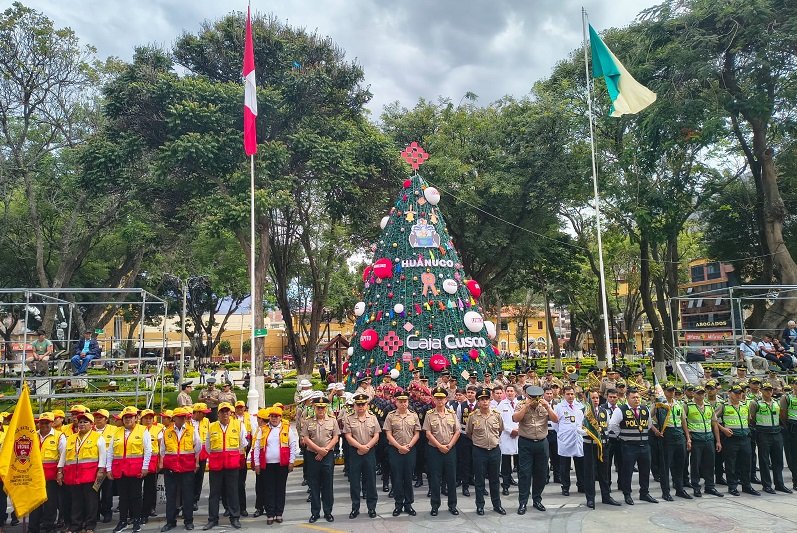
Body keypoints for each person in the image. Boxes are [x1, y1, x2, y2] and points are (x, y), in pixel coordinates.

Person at [512, 385, 558, 514]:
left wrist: (547, 407)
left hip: (542, 443)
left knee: (541, 473)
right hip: (526, 442)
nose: (535, 401)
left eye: (537, 398)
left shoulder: (544, 405)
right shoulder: (521, 405)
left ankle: (537, 499)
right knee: (525, 474)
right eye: (532, 398)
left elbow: (556, 419)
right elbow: (516, 419)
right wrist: (526, 406)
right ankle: (523, 502)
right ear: (527, 396)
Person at [608, 388, 658, 505]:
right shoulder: (621, 410)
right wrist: (621, 435)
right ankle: (627, 494)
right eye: (633, 397)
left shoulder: (645, 409)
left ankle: (644, 493)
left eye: (638, 397)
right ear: (627, 398)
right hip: (629, 446)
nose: (636, 399)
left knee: (645, 470)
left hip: (644, 445)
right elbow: (613, 425)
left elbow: (649, 424)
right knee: (627, 471)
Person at [107, 406, 152, 533]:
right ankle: (122, 521)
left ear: (136, 418)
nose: (127, 420)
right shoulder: (117, 432)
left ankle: (136, 520)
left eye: (130, 417)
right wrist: (108, 468)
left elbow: (148, 450)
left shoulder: (143, 430)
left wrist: (145, 467)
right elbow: (110, 451)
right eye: (125, 417)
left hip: (135, 469)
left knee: (136, 496)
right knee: (123, 497)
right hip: (120, 469)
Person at [61, 411, 106, 533]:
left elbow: (103, 455)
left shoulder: (98, 437)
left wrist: (101, 471)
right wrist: (60, 470)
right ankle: (76, 525)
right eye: (80, 422)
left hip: (91, 475)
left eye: (85, 422)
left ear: (92, 424)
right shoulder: (70, 438)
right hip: (74, 475)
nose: (82, 424)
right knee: (76, 501)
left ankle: (90, 526)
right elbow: (63, 456)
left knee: (91, 501)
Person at [203, 402, 247, 530]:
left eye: (227, 411)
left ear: (231, 413)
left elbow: (242, 443)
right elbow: (208, 446)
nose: (225, 414)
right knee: (214, 493)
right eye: (222, 411)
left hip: (232, 464)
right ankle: (212, 519)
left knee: (232, 492)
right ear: (218, 414)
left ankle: (235, 518)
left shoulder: (238, 425)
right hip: (216, 465)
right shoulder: (212, 427)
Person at [253, 406, 297, 525]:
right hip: (267, 465)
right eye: (272, 416)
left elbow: (293, 445)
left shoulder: (286, 429)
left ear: (280, 417)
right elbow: (257, 447)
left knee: (280, 489)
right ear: (269, 418)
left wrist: (292, 461)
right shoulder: (263, 429)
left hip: (281, 465)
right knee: (268, 490)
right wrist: (256, 463)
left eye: (276, 416)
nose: (274, 418)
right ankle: (270, 514)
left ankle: (279, 513)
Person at [159, 407, 201, 532]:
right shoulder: (167, 432)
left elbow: (197, 447)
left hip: (186, 468)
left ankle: (189, 521)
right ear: (174, 418)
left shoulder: (192, 431)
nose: (183, 419)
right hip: (171, 469)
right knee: (170, 496)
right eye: (180, 417)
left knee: (188, 496)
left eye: (184, 417)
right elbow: (162, 450)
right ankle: (170, 521)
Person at [466, 387, 506, 516]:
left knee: (495, 480)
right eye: (482, 400)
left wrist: (492, 441)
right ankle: (480, 505)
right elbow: (469, 433)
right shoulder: (473, 416)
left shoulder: (496, 415)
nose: (484, 402)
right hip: (479, 451)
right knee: (479, 480)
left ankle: (497, 505)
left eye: (486, 399)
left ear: (490, 400)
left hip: (494, 450)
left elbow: (499, 430)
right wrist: (481, 442)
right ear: (478, 402)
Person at [716, 385, 760, 496]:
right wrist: (723, 429)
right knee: (731, 464)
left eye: (740, 393)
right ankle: (732, 486)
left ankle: (746, 485)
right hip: (731, 439)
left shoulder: (745, 405)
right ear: (730, 393)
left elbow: (749, 419)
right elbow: (712, 419)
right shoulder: (724, 406)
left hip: (745, 437)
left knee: (746, 463)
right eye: (736, 393)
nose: (739, 395)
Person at [342, 393, 380, 519]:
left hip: (370, 452)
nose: (361, 407)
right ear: (354, 406)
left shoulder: (373, 418)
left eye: (363, 404)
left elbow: (376, 435)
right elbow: (348, 436)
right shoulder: (349, 418)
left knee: (371, 481)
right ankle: (355, 508)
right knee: (354, 482)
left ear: (367, 405)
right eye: (358, 405)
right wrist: (360, 447)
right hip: (355, 453)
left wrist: (367, 447)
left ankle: (372, 508)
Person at [749, 382, 792, 494]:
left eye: (770, 390)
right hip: (763, 433)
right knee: (764, 460)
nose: (769, 392)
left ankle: (779, 484)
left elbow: (782, 416)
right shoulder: (756, 403)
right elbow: (751, 418)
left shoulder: (777, 402)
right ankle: (767, 485)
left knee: (778, 461)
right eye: (766, 390)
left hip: (776, 432)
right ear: (761, 391)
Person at [423, 386, 460, 516]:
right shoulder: (429, 414)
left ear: (446, 399)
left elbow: (457, 431)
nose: (439, 401)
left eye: (442, 398)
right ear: (433, 399)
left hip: (450, 449)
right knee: (435, 478)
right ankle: (435, 505)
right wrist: (439, 446)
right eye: (437, 398)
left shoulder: (452, 414)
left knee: (451, 478)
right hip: (434, 450)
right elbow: (428, 433)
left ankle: (452, 505)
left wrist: (449, 445)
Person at [302, 396, 340, 523]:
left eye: (323, 407)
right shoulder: (308, 421)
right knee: (314, 485)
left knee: (327, 485)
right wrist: (318, 450)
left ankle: (328, 512)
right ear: (314, 407)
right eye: (318, 407)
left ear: (326, 408)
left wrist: (325, 450)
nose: (321, 410)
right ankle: (315, 513)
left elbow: (335, 437)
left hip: (327, 455)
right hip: (313, 456)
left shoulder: (332, 420)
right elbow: (306, 438)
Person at [384, 390, 420, 517]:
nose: (403, 404)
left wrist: (409, 446)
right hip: (395, 450)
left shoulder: (413, 415)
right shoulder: (390, 416)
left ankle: (408, 504)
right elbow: (388, 434)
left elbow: (417, 433)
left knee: (408, 477)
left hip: (410, 450)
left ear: (408, 402)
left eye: (405, 401)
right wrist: (399, 446)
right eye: (400, 402)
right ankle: (398, 504)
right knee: (397, 477)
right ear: (396, 402)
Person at [683, 385, 723, 498]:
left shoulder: (708, 406)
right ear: (694, 394)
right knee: (695, 464)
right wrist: (688, 438)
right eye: (698, 393)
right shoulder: (688, 406)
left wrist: (718, 441)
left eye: (702, 393)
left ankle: (710, 486)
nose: (700, 395)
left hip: (709, 438)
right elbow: (683, 422)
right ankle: (696, 487)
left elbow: (714, 423)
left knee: (710, 463)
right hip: (696, 438)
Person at [581, 390, 619, 508]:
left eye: (597, 398)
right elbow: (578, 428)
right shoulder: (583, 412)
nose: (596, 400)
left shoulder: (604, 412)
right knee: (590, 473)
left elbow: (607, 426)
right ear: (588, 400)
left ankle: (606, 496)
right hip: (589, 445)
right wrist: (588, 432)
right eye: (593, 398)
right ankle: (590, 498)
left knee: (604, 472)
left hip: (603, 445)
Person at [30, 412, 65, 533]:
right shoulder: (32, 435)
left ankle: (49, 526)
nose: (44, 424)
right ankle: (33, 527)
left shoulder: (59, 436)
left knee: (50, 502)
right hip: (35, 475)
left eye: (46, 422)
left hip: (51, 475)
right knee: (35, 502)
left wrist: (60, 472)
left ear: (52, 423)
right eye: (41, 422)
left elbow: (63, 456)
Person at [555, 385, 584, 496]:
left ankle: (581, 485)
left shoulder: (580, 406)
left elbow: (582, 421)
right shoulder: (559, 407)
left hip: (578, 438)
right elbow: (555, 423)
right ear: (563, 395)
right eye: (568, 394)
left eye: (572, 394)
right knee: (565, 466)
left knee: (580, 465)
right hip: (565, 439)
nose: (570, 396)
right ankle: (565, 487)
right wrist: (562, 433)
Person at [456, 385, 478, 497]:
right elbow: (458, 420)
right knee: (465, 461)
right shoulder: (461, 405)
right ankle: (465, 486)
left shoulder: (479, 405)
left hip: (477, 437)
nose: (470, 394)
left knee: (476, 461)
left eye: (472, 392)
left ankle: (472, 479)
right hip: (465, 436)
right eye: (468, 392)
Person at [497, 384, 519, 495]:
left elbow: (523, 419)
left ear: (515, 393)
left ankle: (522, 485)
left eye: (512, 391)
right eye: (508, 391)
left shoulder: (520, 404)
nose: (510, 393)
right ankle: (505, 485)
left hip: (519, 436)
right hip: (506, 436)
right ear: (505, 393)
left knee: (520, 463)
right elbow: (500, 421)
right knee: (505, 463)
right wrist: (511, 431)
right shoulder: (501, 405)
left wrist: (518, 430)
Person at [192, 403, 211, 511]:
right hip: (191, 453)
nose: (205, 415)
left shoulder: (206, 422)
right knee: (190, 478)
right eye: (203, 413)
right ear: (198, 412)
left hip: (203, 453)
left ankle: (195, 500)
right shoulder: (188, 421)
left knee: (199, 478)